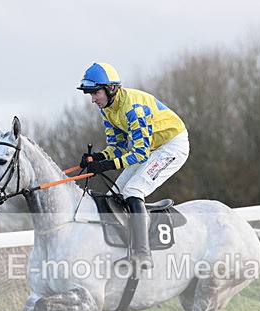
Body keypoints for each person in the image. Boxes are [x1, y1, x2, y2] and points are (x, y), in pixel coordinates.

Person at [76, 62, 189, 270]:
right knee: (114, 194)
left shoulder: (133, 109)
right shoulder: (107, 109)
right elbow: (117, 148)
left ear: (110, 89)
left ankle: (142, 254)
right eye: (90, 94)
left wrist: (106, 165)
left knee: (133, 190)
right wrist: (98, 158)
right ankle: (118, 247)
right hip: (152, 147)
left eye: (95, 93)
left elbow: (139, 153)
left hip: (172, 146)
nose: (92, 100)